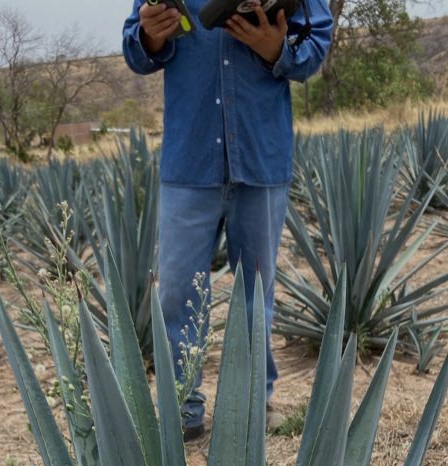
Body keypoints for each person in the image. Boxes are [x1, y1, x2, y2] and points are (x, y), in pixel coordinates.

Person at [122, 0, 333, 440]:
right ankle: (182, 412)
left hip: (260, 155)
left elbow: (316, 45)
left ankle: (253, 405)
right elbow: (135, 50)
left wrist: (277, 50)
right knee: (177, 294)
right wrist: (151, 36)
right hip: (190, 160)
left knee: (256, 292)